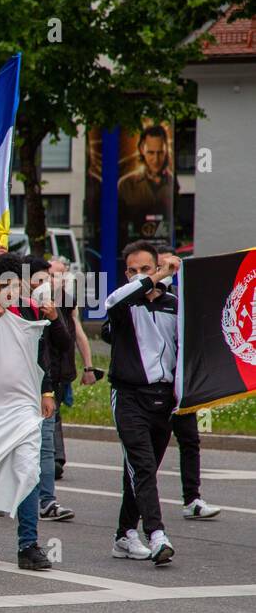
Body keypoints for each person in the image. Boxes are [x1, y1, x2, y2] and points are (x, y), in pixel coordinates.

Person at [0, 252, 71, 571]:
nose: (12, 291)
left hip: (23, 405)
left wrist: (46, 390)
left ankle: (29, 545)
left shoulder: (31, 310)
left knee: (28, 472)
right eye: (5, 285)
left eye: (17, 285)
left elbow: (45, 351)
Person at [102, 241, 180, 564]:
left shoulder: (175, 305)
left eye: (145, 269)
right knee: (143, 466)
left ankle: (123, 534)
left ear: (157, 266)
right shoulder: (123, 305)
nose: (139, 276)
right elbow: (112, 300)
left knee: (138, 470)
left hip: (164, 400)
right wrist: (153, 277)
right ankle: (157, 535)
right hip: (129, 396)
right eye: (132, 271)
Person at [154, 247, 220, 520]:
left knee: (190, 440)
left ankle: (192, 498)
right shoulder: (138, 299)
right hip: (153, 387)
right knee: (150, 447)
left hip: (180, 387)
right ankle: (137, 494)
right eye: (165, 265)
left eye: (175, 266)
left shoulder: (179, 304)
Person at [21, 256, 77, 524]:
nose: (47, 284)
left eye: (50, 279)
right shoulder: (15, 308)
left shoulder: (57, 306)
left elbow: (66, 343)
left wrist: (55, 319)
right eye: (40, 280)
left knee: (45, 448)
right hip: (18, 390)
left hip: (47, 387)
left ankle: (47, 501)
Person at [46, 256, 96, 481]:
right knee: (50, 411)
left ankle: (55, 458)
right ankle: (54, 459)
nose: (59, 278)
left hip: (63, 369)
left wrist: (89, 367)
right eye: (54, 274)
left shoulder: (67, 301)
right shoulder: (35, 300)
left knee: (55, 411)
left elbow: (79, 333)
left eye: (63, 274)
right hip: (46, 368)